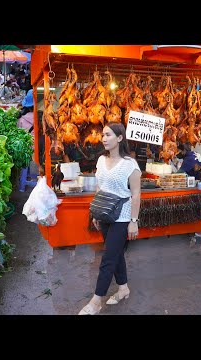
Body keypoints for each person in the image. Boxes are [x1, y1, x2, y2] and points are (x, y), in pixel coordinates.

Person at [79, 122, 141, 315]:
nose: (104, 139)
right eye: (103, 135)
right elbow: (100, 188)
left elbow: (136, 194)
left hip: (122, 217)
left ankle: (97, 300)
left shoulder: (130, 165)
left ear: (120, 138)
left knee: (108, 257)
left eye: (108, 135)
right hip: (104, 214)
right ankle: (123, 288)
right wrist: (95, 213)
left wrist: (133, 221)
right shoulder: (100, 161)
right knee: (116, 255)